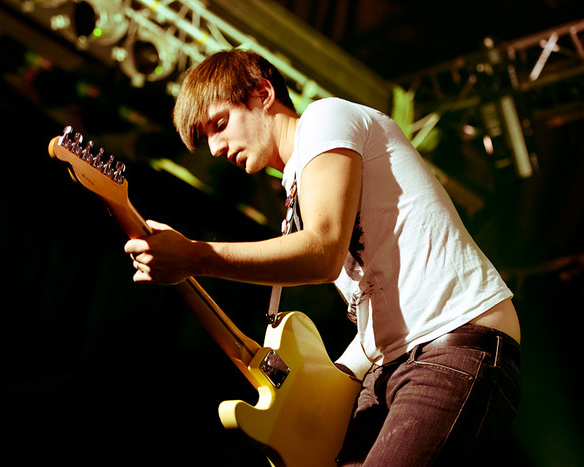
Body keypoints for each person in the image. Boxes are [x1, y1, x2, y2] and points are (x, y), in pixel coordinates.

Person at [124, 49, 522, 466]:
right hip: (394, 361)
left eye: (220, 124)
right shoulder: (297, 184)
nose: (216, 148)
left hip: (456, 344)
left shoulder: (324, 118)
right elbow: (375, 293)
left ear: (263, 93)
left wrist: (195, 256)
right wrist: (328, 380)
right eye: (206, 138)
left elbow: (322, 252)